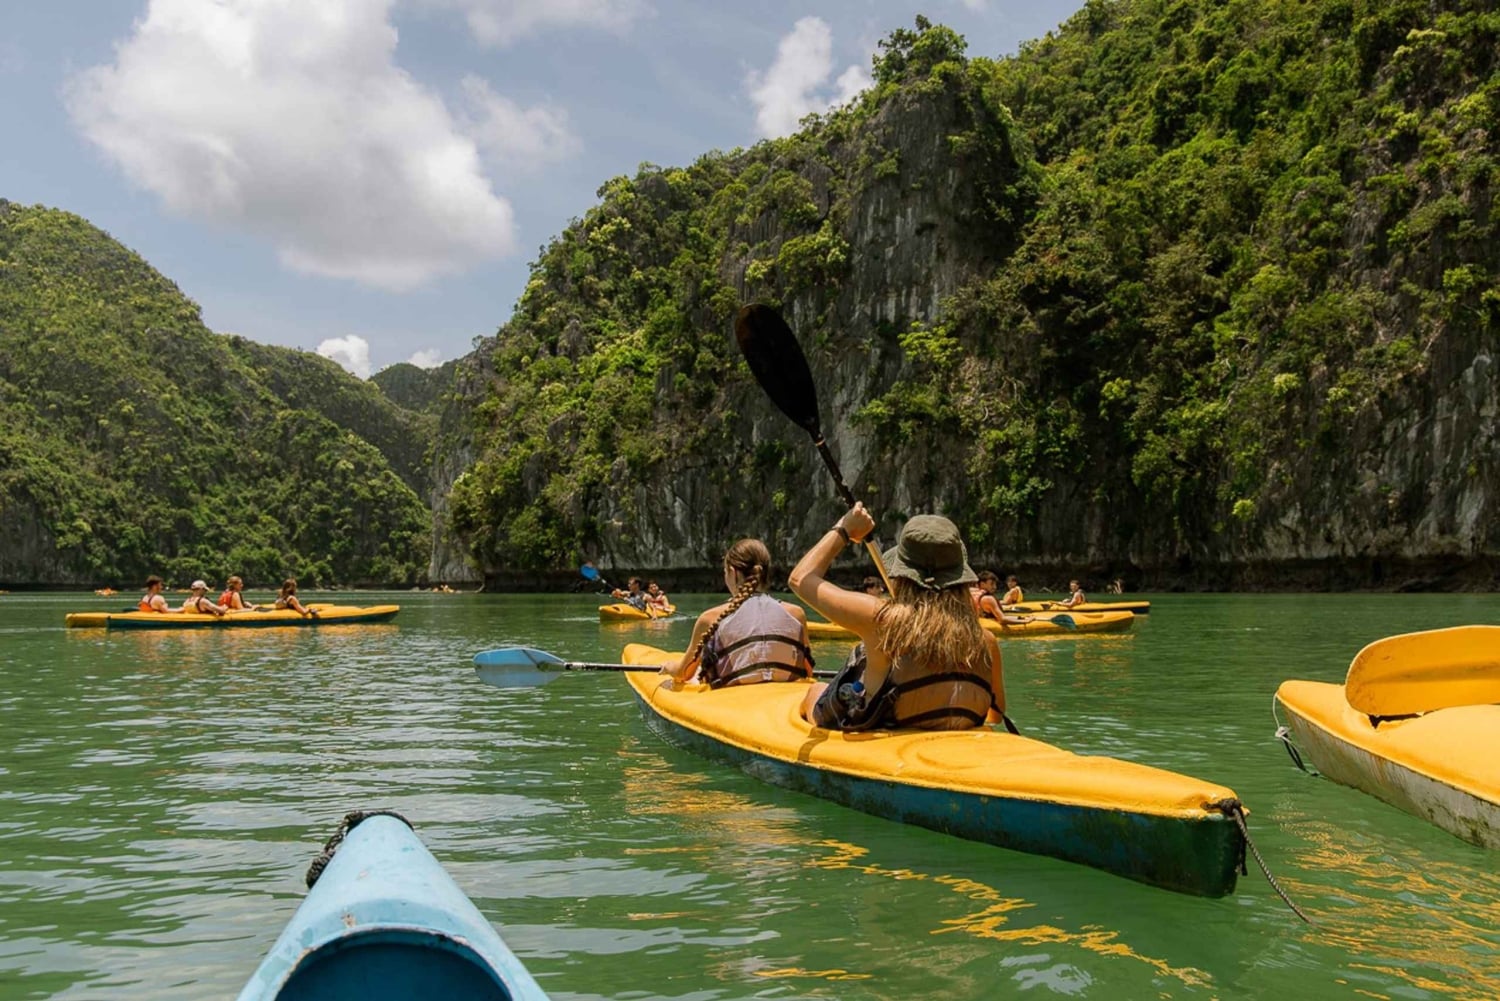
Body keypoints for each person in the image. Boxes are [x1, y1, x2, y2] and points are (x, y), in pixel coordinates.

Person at [789, 505, 1003, 731]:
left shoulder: (883, 620)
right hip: (956, 745)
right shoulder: (986, 641)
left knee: (814, 691)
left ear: (903, 573)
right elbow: (995, 715)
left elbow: (799, 579)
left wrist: (845, 528)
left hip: (886, 733)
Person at [661, 539, 813, 686]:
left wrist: (669, 667)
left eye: (725, 572)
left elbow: (684, 673)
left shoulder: (710, 618)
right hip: (784, 700)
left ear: (733, 573)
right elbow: (808, 669)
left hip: (734, 702)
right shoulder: (796, 613)